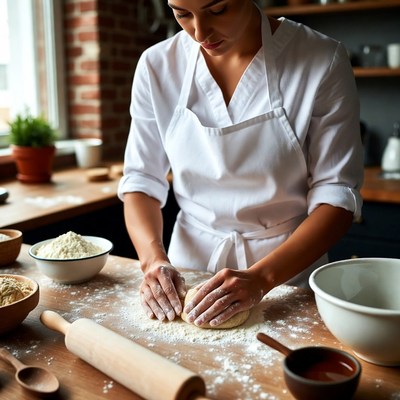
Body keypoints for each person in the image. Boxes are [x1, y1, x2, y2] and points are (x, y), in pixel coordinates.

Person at [118, 0, 363, 328]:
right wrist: (152, 262)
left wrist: (261, 278)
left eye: (218, 10)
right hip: (188, 270)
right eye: (182, 14)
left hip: (286, 275)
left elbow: (337, 197)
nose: (200, 32)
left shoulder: (321, 59)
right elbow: (140, 180)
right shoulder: (157, 66)